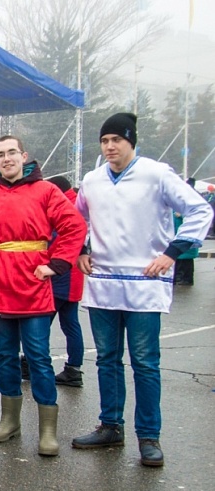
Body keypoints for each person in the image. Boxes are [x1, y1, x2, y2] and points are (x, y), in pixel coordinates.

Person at [72, 113, 213, 467]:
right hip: (104, 284)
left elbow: (198, 210)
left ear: (131, 141)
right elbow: (78, 221)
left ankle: (149, 435)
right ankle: (110, 425)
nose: (110, 147)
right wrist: (81, 250)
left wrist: (172, 253)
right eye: (104, 141)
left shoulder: (156, 174)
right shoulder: (92, 181)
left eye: (116, 140)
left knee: (145, 363)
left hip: (145, 284)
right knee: (106, 359)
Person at [0, 135, 86, 457]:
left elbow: (74, 226)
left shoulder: (46, 191)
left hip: (33, 285)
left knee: (38, 357)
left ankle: (47, 430)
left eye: (11, 153)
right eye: (0, 154)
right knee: (5, 356)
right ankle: (9, 420)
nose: (6, 159)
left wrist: (56, 265)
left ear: (24, 156)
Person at [47, 175, 86, 387]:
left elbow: (56, 241)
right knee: (71, 324)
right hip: (73, 276)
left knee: (41, 324)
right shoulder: (76, 203)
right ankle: (74, 368)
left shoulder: (64, 207)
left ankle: (32, 364)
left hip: (61, 274)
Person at [171, 178, 200, 286]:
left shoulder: (192, 199)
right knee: (180, 259)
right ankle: (180, 278)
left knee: (185, 260)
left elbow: (196, 216)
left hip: (186, 235)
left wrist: (182, 215)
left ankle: (185, 279)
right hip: (178, 234)